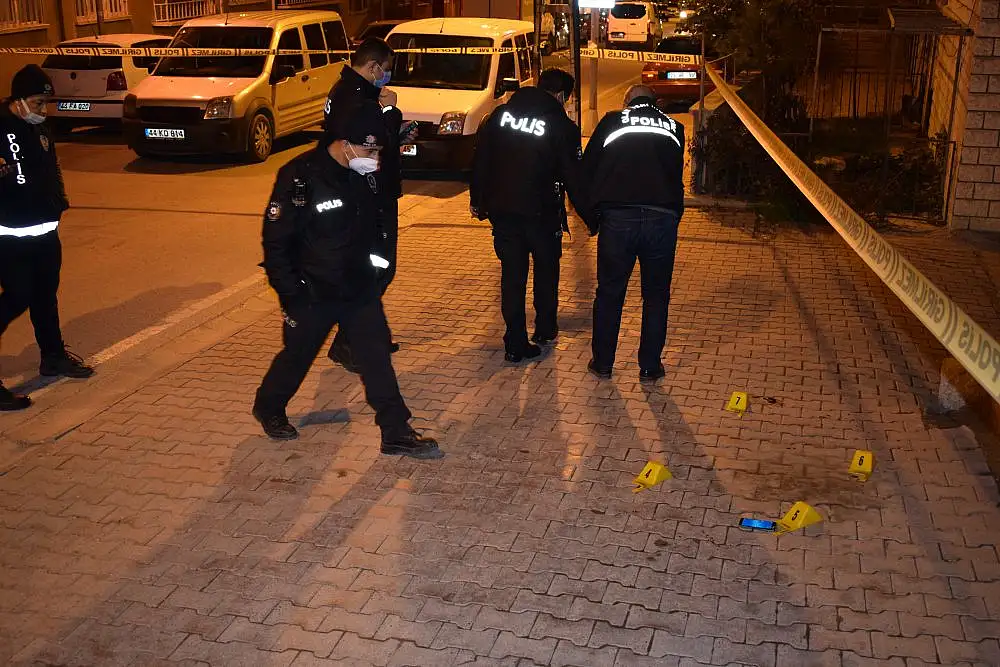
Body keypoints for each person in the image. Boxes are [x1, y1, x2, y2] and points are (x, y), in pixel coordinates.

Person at [252, 100, 443, 460]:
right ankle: (269, 406)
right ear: (344, 143)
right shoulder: (300, 176)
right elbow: (276, 242)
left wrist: (376, 272)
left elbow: (375, 227)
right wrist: (292, 293)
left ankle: (396, 432)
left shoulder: (364, 175)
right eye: (369, 149)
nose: (374, 157)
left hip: (358, 289)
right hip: (312, 292)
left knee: (376, 358)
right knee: (298, 356)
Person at [470, 67, 585, 363]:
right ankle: (544, 330)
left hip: (504, 211)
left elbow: (481, 159)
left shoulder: (499, 116)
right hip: (542, 213)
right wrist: (591, 216)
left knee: (512, 277)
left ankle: (514, 342)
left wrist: (477, 200)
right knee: (546, 271)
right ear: (561, 95)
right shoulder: (562, 126)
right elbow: (573, 176)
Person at [0, 65, 94, 411]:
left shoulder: (39, 126)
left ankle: (53, 357)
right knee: (17, 297)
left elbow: (50, 167)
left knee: (45, 296)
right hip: (10, 235)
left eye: (46, 103)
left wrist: (58, 203)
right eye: (38, 102)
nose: (44, 109)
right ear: (19, 99)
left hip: (44, 230)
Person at [580, 85, 685, 381]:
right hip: (662, 219)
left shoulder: (612, 121)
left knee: (610, 293)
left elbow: (587, 169)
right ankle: (650, 366)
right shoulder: (675, 127)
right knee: (656, 295)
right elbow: (674, 173)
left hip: (618, 218)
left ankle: (603, 362)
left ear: (627, 102)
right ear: (656, 102)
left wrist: (593, 217)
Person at [322, 37, 414, 371]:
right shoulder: (360, 101)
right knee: (378, 269)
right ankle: (347, 343)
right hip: (369, 199)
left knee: (371, 269)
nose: (386, 77)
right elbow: (374, 146)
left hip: (359, 194)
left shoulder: (344, 91)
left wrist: (395, 131)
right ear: (373, 67)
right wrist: (391, 113)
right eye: (385, 70)